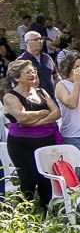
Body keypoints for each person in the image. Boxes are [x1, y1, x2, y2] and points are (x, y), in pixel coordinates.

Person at [2, 60, 61, 208]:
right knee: (28, 178)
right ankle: (25, 212)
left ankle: (48, 210)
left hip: (46, 140)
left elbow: (57, 113)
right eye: (28, 72)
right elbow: (22, 117)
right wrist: (42, 112)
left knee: (46, 178)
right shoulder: (10, 96)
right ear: (16, 78)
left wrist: (37, 122)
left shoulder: (41, 91)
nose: (33, 74)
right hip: (22, 145)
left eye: (34, 71)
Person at [55, 54, 80, 154]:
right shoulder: (62, 85)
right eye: (76, 67)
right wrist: (77, 82)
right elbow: (71, 104)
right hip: (72, 135)